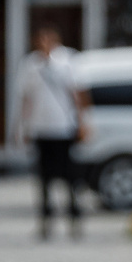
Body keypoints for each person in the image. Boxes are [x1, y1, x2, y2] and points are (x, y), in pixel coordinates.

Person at [16, 22, 91, 238]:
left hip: (64, 128)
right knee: (44, 178)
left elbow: (79, 95)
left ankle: (75, 220)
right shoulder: (30, 64)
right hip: (41, 128)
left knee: (70, 177)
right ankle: (45, 222)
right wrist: (22, 127)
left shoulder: (68, 61)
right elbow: (26, 99)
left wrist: (83, 123)